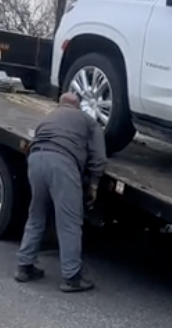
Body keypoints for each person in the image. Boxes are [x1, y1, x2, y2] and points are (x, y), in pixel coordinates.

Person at [14, 92, 106, 292]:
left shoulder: (47, 118)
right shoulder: (87, 120)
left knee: (36, 216)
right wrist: (94, 184)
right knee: (69, 222)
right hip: (62, 163)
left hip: (36, 161)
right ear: (78, 106)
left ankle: (25, 267)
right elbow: (98, 156)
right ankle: (72, 277)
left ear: (60, 104)